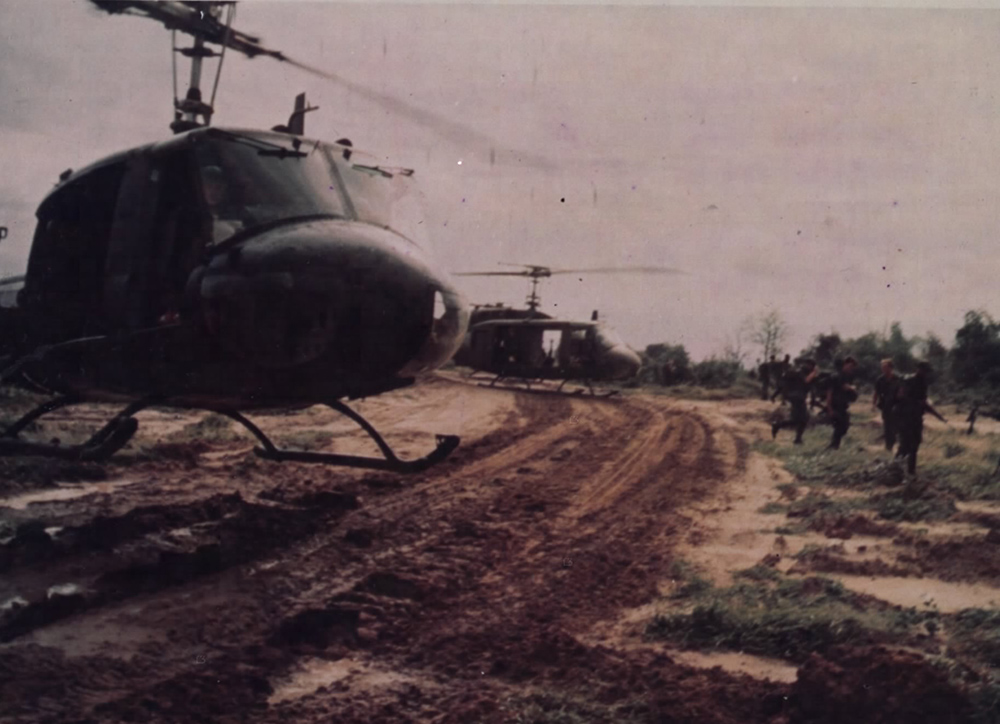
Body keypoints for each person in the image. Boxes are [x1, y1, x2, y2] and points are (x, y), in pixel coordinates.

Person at [894, 362, 946, 475]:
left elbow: (923, 403)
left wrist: (938, 416)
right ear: (918, 369)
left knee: (914, 445)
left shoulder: (922, 383)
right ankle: (896, 469)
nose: (926, 373)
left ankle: (910, 472)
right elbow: (900, 396)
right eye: (924, 370)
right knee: (906, 445)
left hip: (915, 418)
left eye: (927, 371)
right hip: (906, 418)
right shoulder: (909, 380)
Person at [771, 358, 819, 444]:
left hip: (798, 398)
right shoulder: (800, 372)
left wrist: (813, 401)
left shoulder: (805, 373)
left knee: (800, 419)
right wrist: (814, 373)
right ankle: (795, 438)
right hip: (796, 397)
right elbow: (806, 381)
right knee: (803, 419)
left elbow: (812, 389)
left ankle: (781, 427)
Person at [826, 356, 859, 450]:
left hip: (843, 405)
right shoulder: (836, 376)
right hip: (835, 405)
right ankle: (834, 446)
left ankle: (834, 445)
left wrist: (851, 389)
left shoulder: (848, 377)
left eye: (853, 367)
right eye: (850, 366)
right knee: (840, 425)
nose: (851, 368)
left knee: (844, 427)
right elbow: (829, 392)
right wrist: (829, 408)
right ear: (845, 364)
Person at [872, 358, 901, 452]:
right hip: (885, 406)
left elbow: (903, 391)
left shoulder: (897, 378)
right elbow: (876, 392)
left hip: (897, 405)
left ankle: (894, 442)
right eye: (882, 367)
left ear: (890, 368)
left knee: (896, 425)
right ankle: (889, 445)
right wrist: (873, 404)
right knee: (887, 425)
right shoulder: (880, 380)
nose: (883, 369)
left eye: (885, 367)